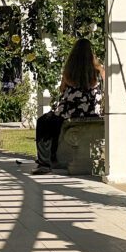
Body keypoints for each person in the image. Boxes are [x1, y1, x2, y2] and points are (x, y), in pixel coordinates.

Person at [32, 38, 103, 175]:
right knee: (51, 123)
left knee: (43, 122)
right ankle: (52, 159)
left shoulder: (69, 72)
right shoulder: (99, 71)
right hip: (92, 113)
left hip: (68, 114)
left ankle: (45, 163)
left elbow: (62, 90)